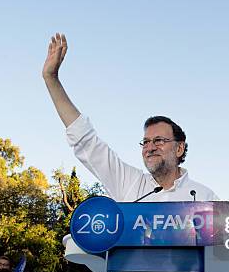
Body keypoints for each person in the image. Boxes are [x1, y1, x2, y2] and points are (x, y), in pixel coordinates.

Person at [42, 32, 218, 202]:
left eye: (159, 141)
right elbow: (85, 140)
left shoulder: (205, 198)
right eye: (146, 142)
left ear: (179, 148)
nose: (150, 147)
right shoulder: (129, 183)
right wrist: (51, 78)